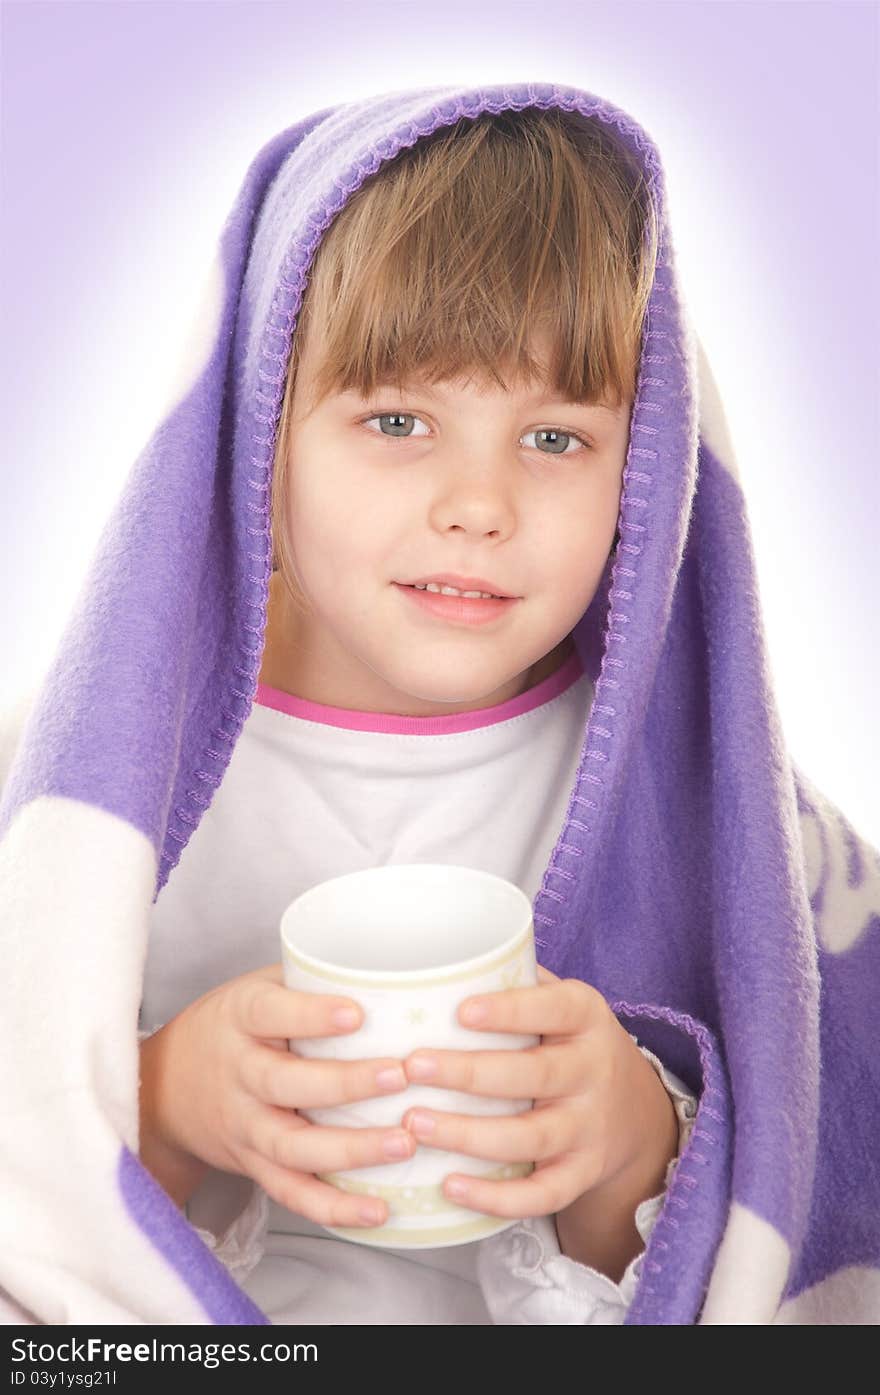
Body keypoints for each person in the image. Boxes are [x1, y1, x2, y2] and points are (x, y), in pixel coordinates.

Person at [0, 82, 877, 1327]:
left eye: (557, 438)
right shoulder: (80, 786)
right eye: (399, 418)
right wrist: (167, 1101)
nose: (480, 504)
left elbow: (824, 1155)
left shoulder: (695, 800)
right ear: (259, 436)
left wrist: (628, 1151)